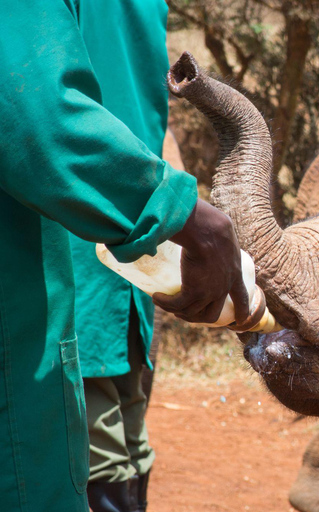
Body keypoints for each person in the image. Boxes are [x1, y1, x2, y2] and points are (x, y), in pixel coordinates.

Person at [0, 1, 255, 511]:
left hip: (127, 271)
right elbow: (36, 115)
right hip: (57, 275)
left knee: (124, 450)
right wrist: (184, 216)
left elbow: (144, 124)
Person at [66, 2, 187, 510]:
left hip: (70, 257)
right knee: (127, 436)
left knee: (92, 448)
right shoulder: (143, 7)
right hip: (132, 253)